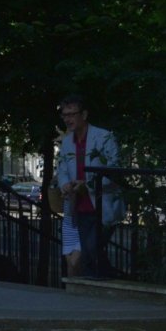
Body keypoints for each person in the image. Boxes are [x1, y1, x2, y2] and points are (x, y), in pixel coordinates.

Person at [54, 95, 126, 278]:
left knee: (90, 250)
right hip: (80, 206)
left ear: (84, 115)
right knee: (90, 254)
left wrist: (88, 186)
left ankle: (107, 282)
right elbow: (62, 168)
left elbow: (114, 171)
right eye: (64, 115)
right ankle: (107, 284)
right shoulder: (68, 141)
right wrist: (64, 185)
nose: (68, 119)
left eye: (72, 114)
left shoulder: (104, 137)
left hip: (103, 205)